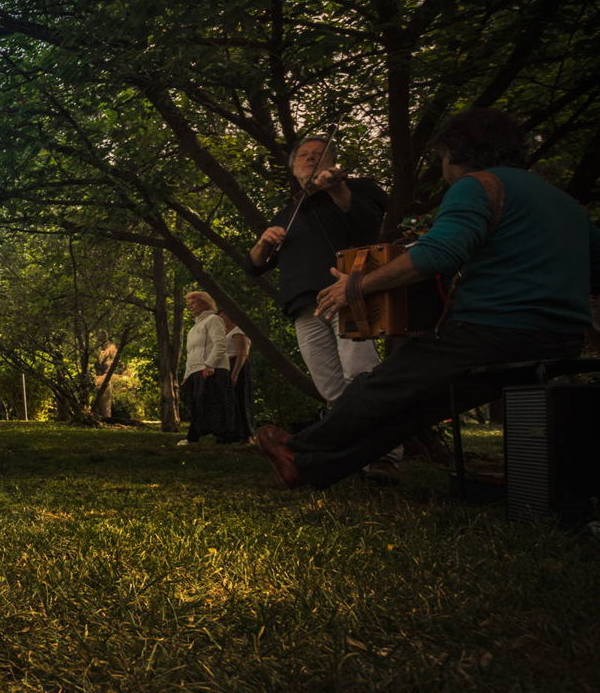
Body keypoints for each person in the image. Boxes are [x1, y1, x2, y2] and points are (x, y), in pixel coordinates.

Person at [257, 108, 600, 489]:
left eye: (442, 157)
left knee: (381, 386)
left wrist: (356, 286)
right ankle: (309, 468)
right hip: (561, 340)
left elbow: (437, 254)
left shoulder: (477, 186)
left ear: (455, 152)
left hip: (494, 331)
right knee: (418, 409)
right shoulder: (567, 204)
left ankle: (299, 450)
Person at [248, 133, 401, 477]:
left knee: (361, 375)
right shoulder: (287, 213)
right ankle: (352, 456)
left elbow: (367, 224)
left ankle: (386, 456)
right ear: (293, 168)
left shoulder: (357, 188)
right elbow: (255, 265)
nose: (310, 159)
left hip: (344, 293)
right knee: (331, 387)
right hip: (303, 306)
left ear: (333, 161)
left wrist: (337, 187)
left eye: (319, 154)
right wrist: (263, 242)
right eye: (304, 155)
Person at [177, 291, 245, 445]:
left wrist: (210, 364)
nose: (190, 306)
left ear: (204, 303)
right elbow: (191, 353)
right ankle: (195, 437)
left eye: (193, 303)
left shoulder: (213, 319)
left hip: (213, 369)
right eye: (189, 304)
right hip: (196, 370)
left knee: (216, 405)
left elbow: (220, 344)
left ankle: (224, 437)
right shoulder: (194, 328)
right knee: (197, 404)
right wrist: (187, 375)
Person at [220, 310, 256, 441]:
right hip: (226, 366)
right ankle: (231, 433)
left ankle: (247, 433)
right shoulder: (224, 333)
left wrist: (235, 374)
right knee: (229, 400)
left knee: (241, 398)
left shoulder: (238, 331)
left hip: (237, 366)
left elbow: (243, 353)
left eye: (222, 316)